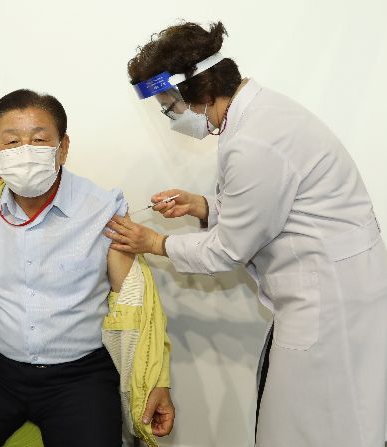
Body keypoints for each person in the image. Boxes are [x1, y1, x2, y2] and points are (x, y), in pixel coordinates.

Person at [105, 21, 387, 447]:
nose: (170, 117)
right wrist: (204, 206)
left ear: (198, 92)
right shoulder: (261, 116)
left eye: (169, 105)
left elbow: (228, 250)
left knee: (313, 428)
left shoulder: (255, 140)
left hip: (333, 304)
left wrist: (155, 242)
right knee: (314, 423)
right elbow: (276, 205)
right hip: (337, 290)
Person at [0, 89, 174, 447]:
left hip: (80, 378)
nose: (25, 152)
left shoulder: (103, 210)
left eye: (39, 140)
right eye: (12, 142)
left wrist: (157, 380)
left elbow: (139, 304)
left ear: (63, 147)